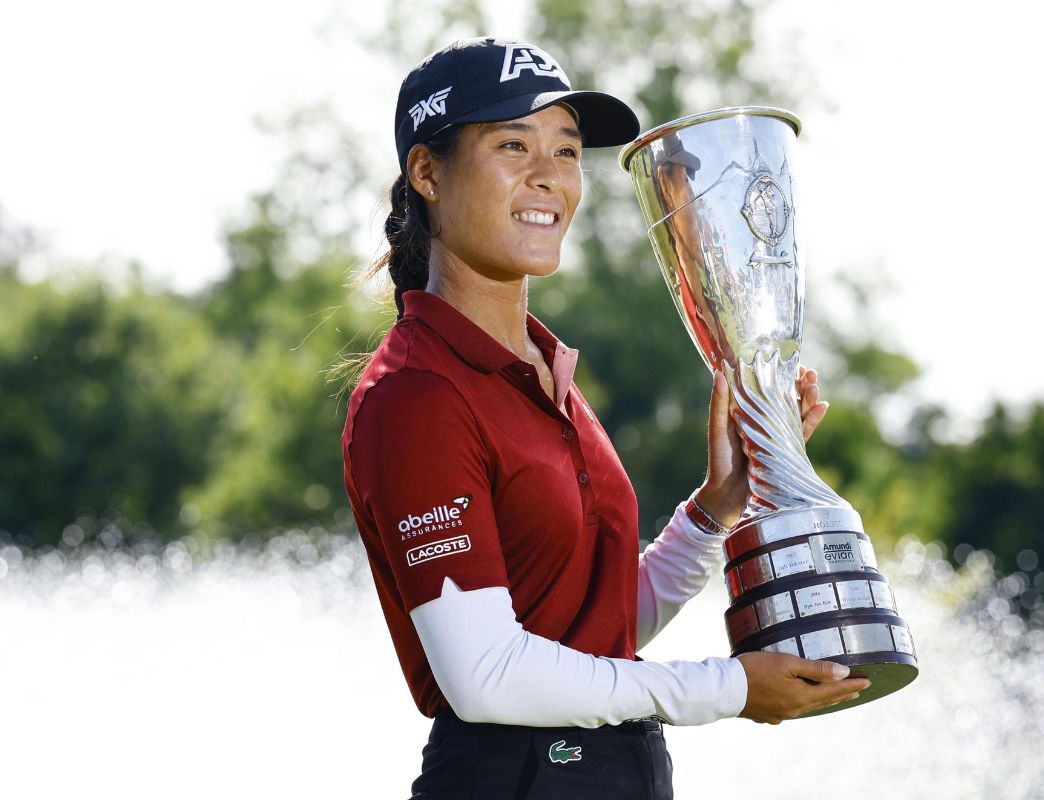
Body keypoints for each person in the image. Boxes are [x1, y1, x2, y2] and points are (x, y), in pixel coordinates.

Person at [341, 36, 870, 800]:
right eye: (512, 145)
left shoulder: (544, 371)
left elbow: (594, 629)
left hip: (618, 774)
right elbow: (488, 677)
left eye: (565, 151)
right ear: (427, 172)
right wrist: (726, 688)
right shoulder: (415, 395)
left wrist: (711, 512)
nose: (548, 177)